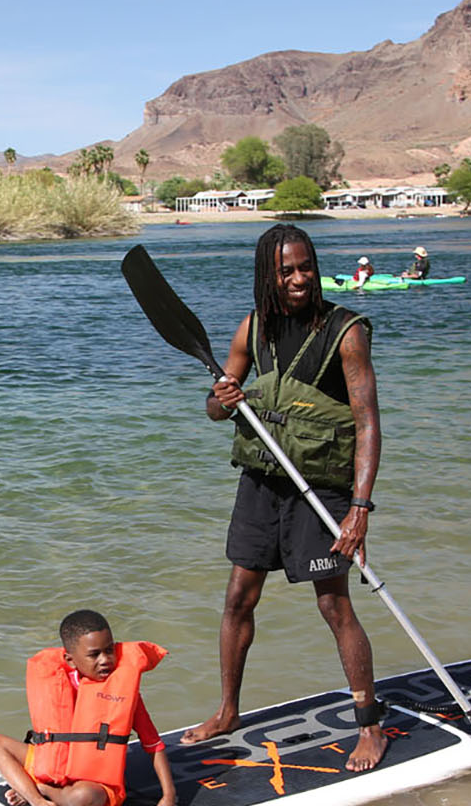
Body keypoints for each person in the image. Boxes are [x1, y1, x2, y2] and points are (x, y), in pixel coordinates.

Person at [182, 224, 387, 773]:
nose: (299, 279)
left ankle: (370, 725)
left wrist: (359, 509)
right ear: (267, 275)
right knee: (237, 599)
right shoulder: (253, 329)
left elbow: (367, 424)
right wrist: (221, 399)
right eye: (286, 271)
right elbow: (214, 407)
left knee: (333, 603)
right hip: (263, 479)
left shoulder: (346, 332)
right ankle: (227, 711)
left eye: (306, 267)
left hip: (321, 485)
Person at [0, 610, 176, 806]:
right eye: (94, 655)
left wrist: (168, 796)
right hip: (55, 765)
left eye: (109, 650)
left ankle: (39, 789)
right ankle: (37, 800)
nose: (104, 660)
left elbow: (153, 743)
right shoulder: (59, 682)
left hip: (95, 783)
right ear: (70, 660)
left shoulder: (124, 691)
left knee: (82, 797)